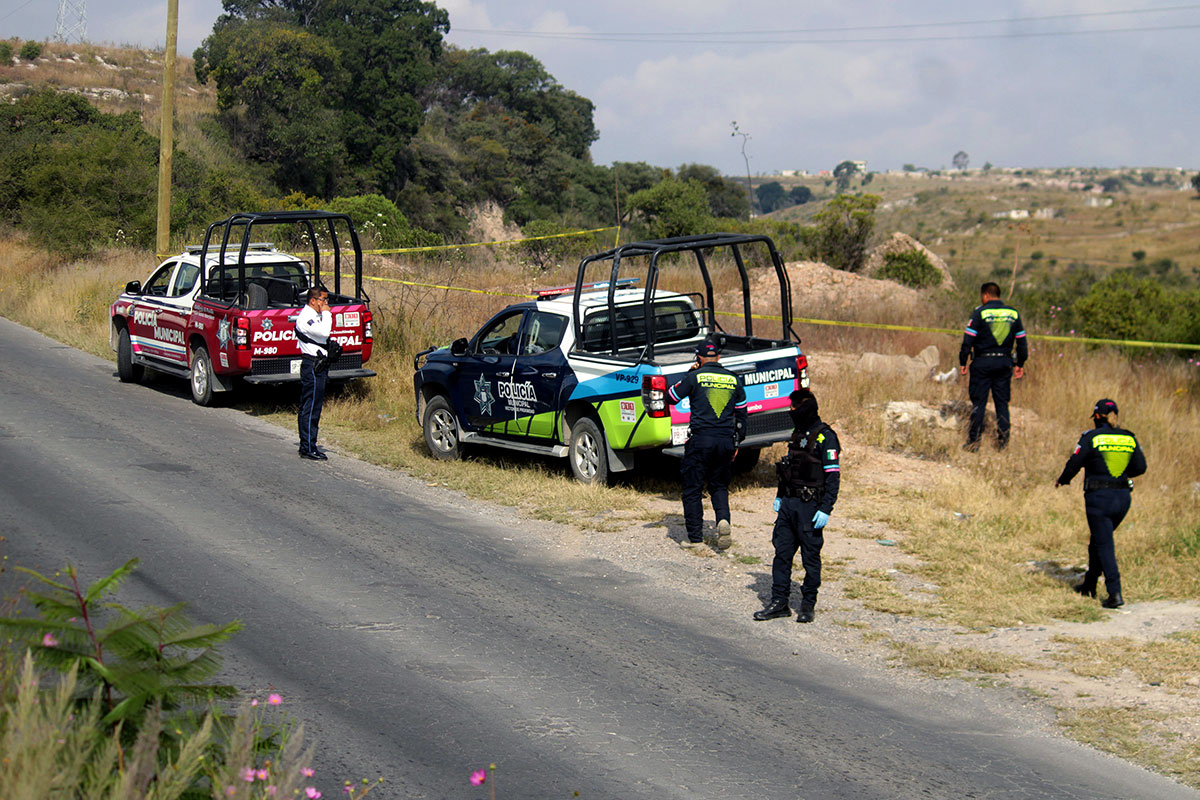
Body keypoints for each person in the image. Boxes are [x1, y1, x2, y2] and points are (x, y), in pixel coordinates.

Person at [754, 389, 841, 624]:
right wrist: (780, 496)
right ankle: (779, 602)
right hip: (789, 505)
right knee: (781, 554)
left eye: (794, 407)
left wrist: (826, 508)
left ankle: (807, 604)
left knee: (810, 558)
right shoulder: (796, 434)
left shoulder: (826, 437)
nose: (791, 411)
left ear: (805, 408)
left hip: (810, 507)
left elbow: (833, 478)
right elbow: (787, 470)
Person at [1055, 399, 1146, 609]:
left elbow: (1075, 462)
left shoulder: (1092, 437)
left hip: (1099, 499)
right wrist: (1119, 475)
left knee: (1104, 544)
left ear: (1096, 417)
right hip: (1123, 498)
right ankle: (1089, 585)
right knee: (1098, 540)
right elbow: (1140, 467)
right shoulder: (1129, 437)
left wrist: (1064, 479)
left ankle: (1115, 593)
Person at [668, 340, 747, 550]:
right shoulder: (733, 379)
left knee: (693, 489)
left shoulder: (694, 377)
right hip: (726, 440)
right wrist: (737, 441)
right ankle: (723, 520)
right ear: (719, 358)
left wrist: (689, 373)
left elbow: (671, 396)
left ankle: (695, 540)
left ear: (699, 358)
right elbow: (742, 414)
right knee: (719, 486)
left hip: (701, 440)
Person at [958, 282, 1028, 451]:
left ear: (986, 295)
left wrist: (963, 361)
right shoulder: (1013, 313)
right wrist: (1020, 363)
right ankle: (1003, 444)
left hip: (982, 363)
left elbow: (968, 340)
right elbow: (1022, 343)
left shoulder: (980, 312)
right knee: (1002, 404)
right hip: (1004, 364)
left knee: (979, 403)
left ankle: (973, 442)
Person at [295, 286, 332, 461]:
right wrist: (327, 314)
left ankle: (310, 444)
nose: (325, 304)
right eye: (323, 300)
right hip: (312, 365)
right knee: (310, 408)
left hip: (320, 365)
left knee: (314, 407)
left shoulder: (315, 316)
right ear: (313, 300)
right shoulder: (306, 318)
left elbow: (323, 338)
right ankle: (308, 446)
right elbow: (325, 331)